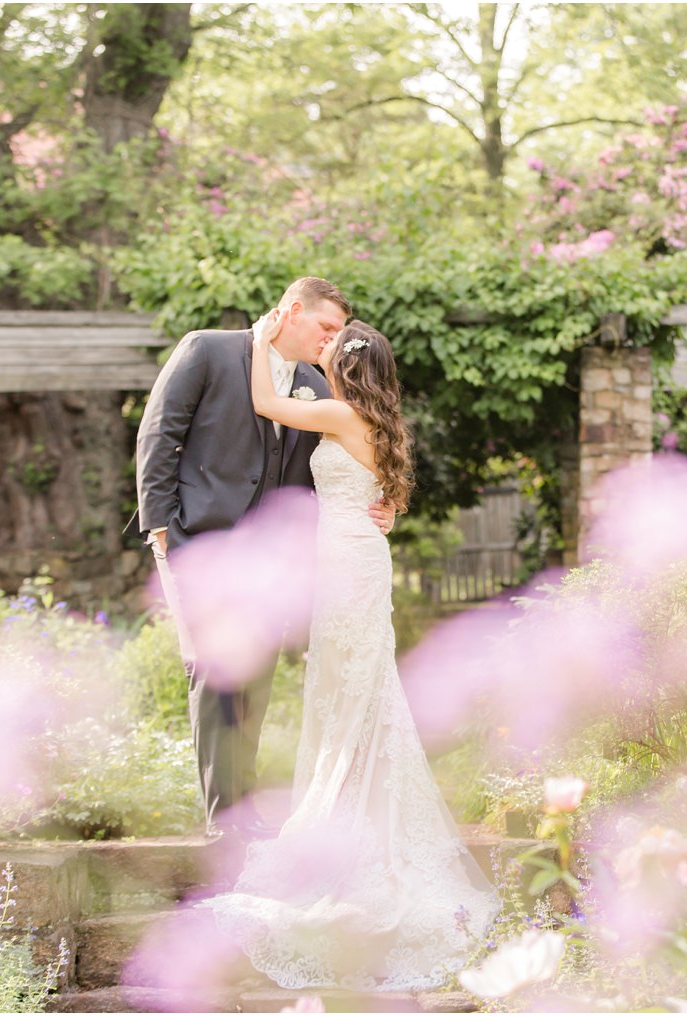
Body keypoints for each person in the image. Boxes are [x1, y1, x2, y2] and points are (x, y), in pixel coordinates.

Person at [200, 314, 499, 990]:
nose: (321, 350)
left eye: (329, 346)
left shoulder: (336, 412)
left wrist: (257, 342)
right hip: (357, 557)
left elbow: (266, 404)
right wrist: (388, 506)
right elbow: (385, 493)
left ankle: (347, 816)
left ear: (346, 363)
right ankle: (354, 807)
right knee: (354, 686)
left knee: (351, 687)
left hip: (347, 564)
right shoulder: (372, 420)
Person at [134, 277, 395, 837]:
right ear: (292, 311)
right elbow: (160, 433)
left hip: (272, 562)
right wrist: (161, 526)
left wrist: (385, 505)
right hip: (200, 541)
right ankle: (224, 819)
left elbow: (354, 457)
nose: (331, 340)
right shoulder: (208, 349)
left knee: (255, 680)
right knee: (215, 671)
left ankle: (246, 808)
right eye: (326, 327)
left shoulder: (314, 384)